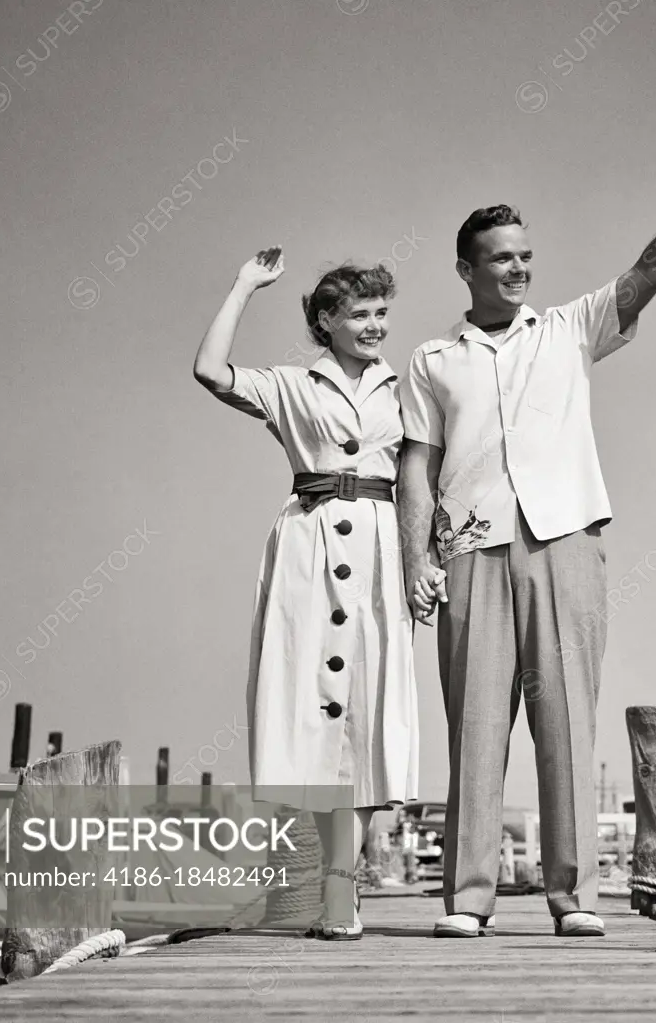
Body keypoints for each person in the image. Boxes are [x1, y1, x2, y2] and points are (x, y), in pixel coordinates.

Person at [398, 124, 656, 937]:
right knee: (476, 728)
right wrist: (416, 556)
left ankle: (573, 897)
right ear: (465, 269)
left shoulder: (568, 328)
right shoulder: (431, 360)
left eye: (525, 254)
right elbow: (414, 465)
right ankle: (468, 899)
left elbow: (648, 272)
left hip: (565, 544)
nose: (519, 267)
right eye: (501, 257)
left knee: (564, 722)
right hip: (471, 549)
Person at [193, 249, 420, 940]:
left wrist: (425, 556)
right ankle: (337, 895)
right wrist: (243, 285)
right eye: (359, 313)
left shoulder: (404, 388)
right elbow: (209, 370)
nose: (375, 325)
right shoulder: (293, 385)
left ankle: (341, 893)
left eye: (381, 312)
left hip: (381, 549)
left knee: (370, 720)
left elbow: (422, 476)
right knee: (316, 725)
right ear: (325, 321)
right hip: (309, 547)